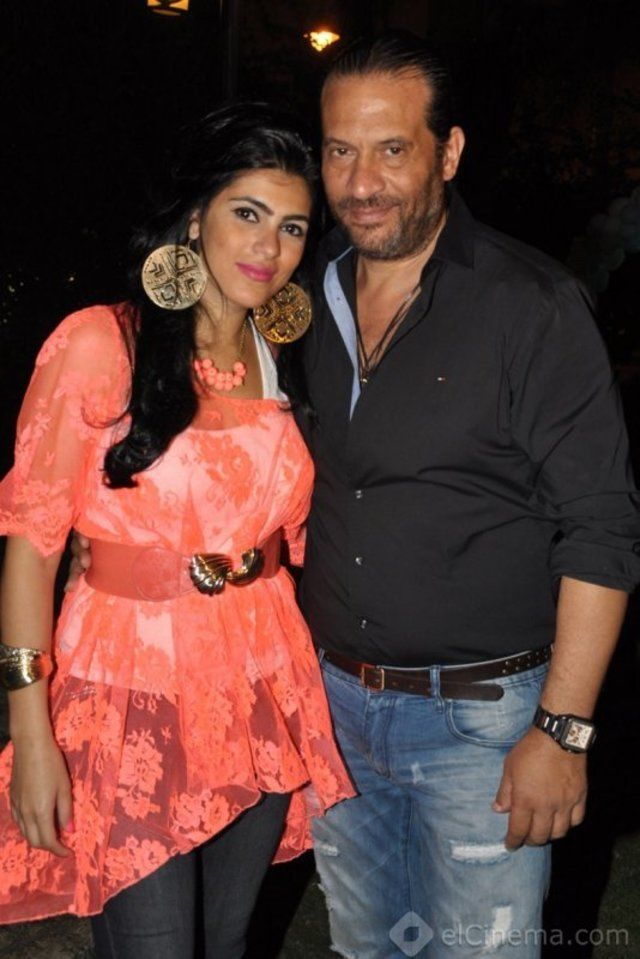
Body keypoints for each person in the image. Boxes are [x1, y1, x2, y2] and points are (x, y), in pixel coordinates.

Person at [296, 33, 640, 958]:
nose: (361, 182)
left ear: (448, 152)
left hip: (481, 726)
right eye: (340, 150)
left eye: (391, 149)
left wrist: (562, 730)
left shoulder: (530, 305)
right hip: (334, 710)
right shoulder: (307, 289)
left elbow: (603, 528)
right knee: (369, 949)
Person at [0, 102, 353, 958]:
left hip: (259, 682)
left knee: (225, 942)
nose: (270, 246)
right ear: (195, 216)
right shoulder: (100, 342)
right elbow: (31, 548)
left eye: (293, 226)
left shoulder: (287, 357)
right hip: (132, 694)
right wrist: (30, 731)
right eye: (247, 213)